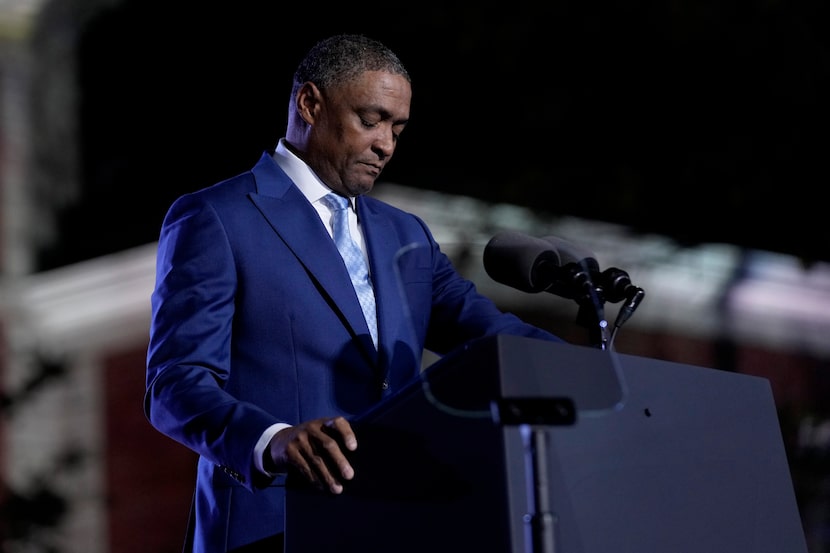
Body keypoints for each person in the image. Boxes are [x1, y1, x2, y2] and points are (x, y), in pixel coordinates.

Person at [144, 33, 565, 553]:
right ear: (310, 103)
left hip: (399, 525)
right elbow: (175, 384)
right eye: (370, 120)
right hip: (275, 526)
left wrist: (596, 372)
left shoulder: (405, 234)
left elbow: (493, 336)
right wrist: (271, 439)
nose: (386, 144)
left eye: (397, 127)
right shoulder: (218, 217)